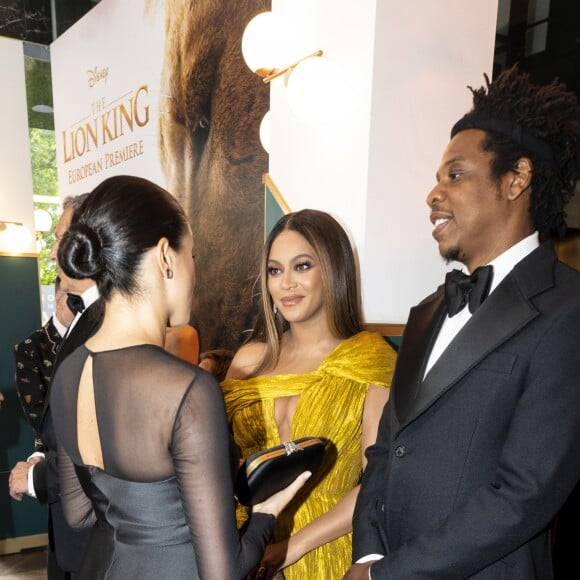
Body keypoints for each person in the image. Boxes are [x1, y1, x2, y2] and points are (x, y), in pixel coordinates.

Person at [343, 65, 580, 579]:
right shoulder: (427, 311)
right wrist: (367, 555)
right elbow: (385, 451)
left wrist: (391, 575)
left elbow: (523, 495)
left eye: (455, 175)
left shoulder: (568, 310)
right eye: (435, 179)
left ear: (516, 180)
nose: (433, 195)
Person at [48, 174, 309, 579]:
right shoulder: (186, 390)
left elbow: (79, 514)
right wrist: (265, 514)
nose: (195, 270)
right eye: (195, 255)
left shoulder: (68, 373)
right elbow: (223, 572)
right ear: (166, 256)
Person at [222, 209, 396, 579]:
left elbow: (379, 484)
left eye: (301, 266)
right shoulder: (249, 361)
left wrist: (290, 548)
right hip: (244, 546)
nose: (286, 283)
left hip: (325, 550)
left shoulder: (370, 360)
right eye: (274, 270)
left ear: (333, 270)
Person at [9, 193, 99, 580]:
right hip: (73, 533)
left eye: (60, 240)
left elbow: (99, 456)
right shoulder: (85, 324)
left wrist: (34, 477)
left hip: (97, 541)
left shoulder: (103, 326)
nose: (50, 256)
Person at [14, 276, 75, 449]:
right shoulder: (29, 348)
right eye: (77, 301)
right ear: (60, 300)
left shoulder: (96, 337)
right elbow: (38, 415)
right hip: (57, 452)